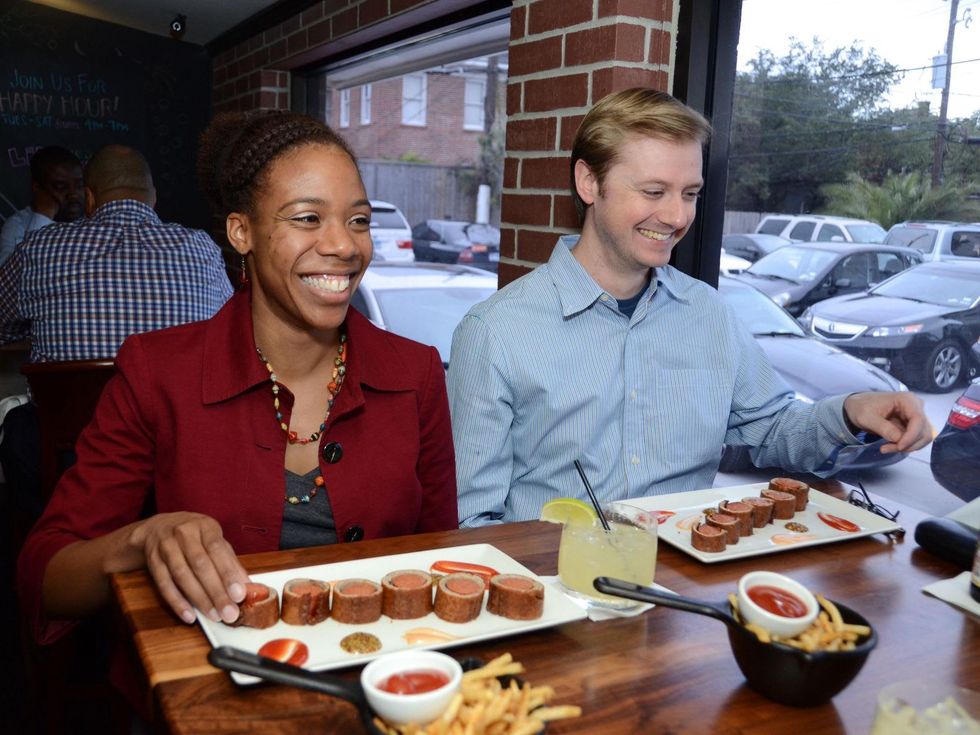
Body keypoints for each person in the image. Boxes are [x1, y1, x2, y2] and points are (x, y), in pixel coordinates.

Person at [18, 110, 457, 653]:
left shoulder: (417, 373)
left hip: (381, 679)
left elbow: (441, 561)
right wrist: (143, 539)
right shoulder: (157, 372)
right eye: (306, 218)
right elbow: (45, 577)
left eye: (359, 220)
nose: (344, 245)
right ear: (240, 231)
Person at [447, 88, 932, 527]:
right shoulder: (495, 332)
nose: (678, 217)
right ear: (589, 183)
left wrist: (850, 412)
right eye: (654, 192)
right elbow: (471, 521)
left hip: (688, 596)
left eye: (690, 194)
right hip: (556, 595)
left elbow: (774, 429)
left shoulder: (709, 313)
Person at [0, 144, 234, 518]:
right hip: (176, 449)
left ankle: (40, 548)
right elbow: (227, 336)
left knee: (18, 426)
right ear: (152, 198)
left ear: (90, 198)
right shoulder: (201, 248)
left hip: (71, 456)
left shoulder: (39, 247)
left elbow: (3, 324)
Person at [0, 145, 84, 266]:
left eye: (79, 186)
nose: (73, 194)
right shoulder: (18, 225)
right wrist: (43, 215)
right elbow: (8, 276)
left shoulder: (90, 220)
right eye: (61, 187)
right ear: (38, 188)